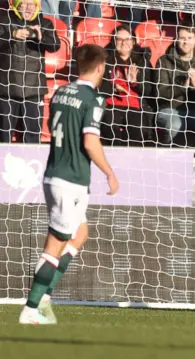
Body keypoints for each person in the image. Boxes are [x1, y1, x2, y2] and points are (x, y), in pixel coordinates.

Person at [19, 44, 119, 325]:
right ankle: (31, 309)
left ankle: (45, 298)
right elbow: (90, 140)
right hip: (70, 180)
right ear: (100, 67)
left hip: (54, 173)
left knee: (80, 235)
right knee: (55, 245)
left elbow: (52, 127)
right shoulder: (92, 98)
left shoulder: (61, 92)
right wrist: (109, 172)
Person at [0, 0, 60, 143]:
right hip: (7, 89)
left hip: (34, 90)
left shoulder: (45, 23)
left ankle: (31, 164)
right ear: (16, 5)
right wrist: (12, 34)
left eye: (31, 4)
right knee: (3, 135)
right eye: (23, 4)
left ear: (37, 6)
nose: (28, 8)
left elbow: (55, 45)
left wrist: (41, 37)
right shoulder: (4, 21)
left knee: (33, 137)